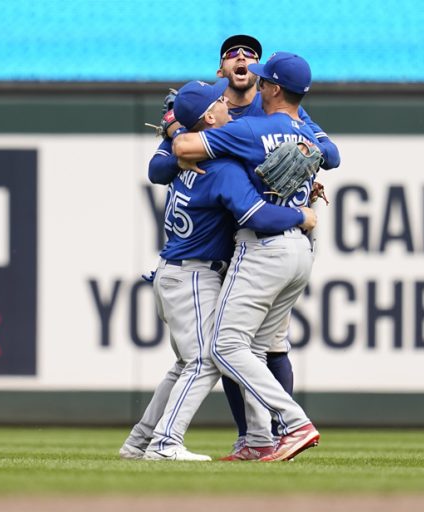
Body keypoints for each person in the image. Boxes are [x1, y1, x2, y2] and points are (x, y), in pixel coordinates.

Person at [148, 34, 340, 453]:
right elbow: (161, 164)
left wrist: (180, 131)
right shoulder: (211, 102)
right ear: (221, 70)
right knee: (244, 346)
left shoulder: (258, 118)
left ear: (268, 83)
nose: (242, 59)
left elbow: (331, 152)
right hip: (274, 238)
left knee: (238, 346)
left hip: (263, 236)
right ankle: (255, 439)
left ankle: (282, 428)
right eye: (233, 54)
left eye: (251, 56)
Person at [119, 78, 317, 461]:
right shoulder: (221, 167)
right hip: (194, 275)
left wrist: (175, 128)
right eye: (221, 101)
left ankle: (139, 442)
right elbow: (254, 213)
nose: (229, 102)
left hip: (177, 272)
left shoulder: (186, 157)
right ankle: (164, 444)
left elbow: (165, 158)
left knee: (185, 364)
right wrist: (301, 213)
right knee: (208, 359)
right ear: (210, 116)